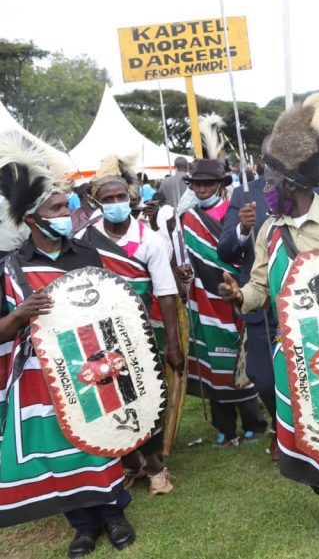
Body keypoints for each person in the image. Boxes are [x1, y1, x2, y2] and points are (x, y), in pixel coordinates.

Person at [218, 92, 319, 555]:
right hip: (285, 349)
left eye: (270, 178)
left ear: (292, 181)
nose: (264, 187)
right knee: (296, 425)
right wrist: (238, 295)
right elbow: (258, 291)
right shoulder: (269, 230)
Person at [0, 132, 137, 556]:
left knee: (99, 440)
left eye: (67, 205)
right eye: (58, 208)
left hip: (94, 368)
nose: (68, 212)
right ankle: (82, 525)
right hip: (42, 380)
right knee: (59, 448)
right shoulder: (11, 268)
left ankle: (114, 515)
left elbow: (112, 311)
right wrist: (21, 315)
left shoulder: (87, 254)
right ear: (31, 218)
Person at [75, 154, 183, 495]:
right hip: (96, 334)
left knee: (143, 397)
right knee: (109, 397)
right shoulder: (84, 238)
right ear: (95, 202)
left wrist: (173, 343)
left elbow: (165, 293)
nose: (116, 204)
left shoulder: (148, 239)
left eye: (120, 198)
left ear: (131, 198)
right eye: (107, 200)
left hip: (140, 331)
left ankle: (156, 468)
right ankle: (129, 461)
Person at [180, 158, 266, 447]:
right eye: (197, 184)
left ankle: (254, 421)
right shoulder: (187, 218)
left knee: (241, 357)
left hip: (236, 294)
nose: (202, 189)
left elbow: (242, 251)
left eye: (208, 184)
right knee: (211, 360)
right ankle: (224, 426)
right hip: (203, 300)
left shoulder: (236, 212)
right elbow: (183, 255)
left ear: (220, 185)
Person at [217, 136, 280, 459]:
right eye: (272, 155)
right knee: (263, 378)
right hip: (259, 302)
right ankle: (282, 430)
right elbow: (226, 250)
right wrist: (242, 230)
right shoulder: (244, 194)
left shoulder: (312, 190)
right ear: (262, 158)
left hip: (303, 301)